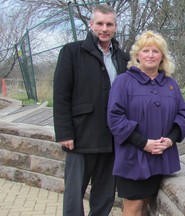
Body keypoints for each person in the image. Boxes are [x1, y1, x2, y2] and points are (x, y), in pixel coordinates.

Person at [53, 4, 129, 216]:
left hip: (111, 139)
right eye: (100, 23)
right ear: (91, 24)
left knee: (105, 195)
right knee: (73, 194)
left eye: (109, 24)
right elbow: (61, 95)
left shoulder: (122, 59)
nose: (104, 28)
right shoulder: (72, 52)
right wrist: (64, 132)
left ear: (115, 27)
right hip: (80, 136)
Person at [107, 30, 185, 216]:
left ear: (162, 57)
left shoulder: (170, 84)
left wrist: (170, 139)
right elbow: (115, 118)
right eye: (145, 51)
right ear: (137, 55)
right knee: (134, 208)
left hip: (161, 158)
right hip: (133, 158)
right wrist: (143, 143)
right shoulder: (123, 82)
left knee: (145, 207)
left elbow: (183, 114)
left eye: (155, 51)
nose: (150, 55)